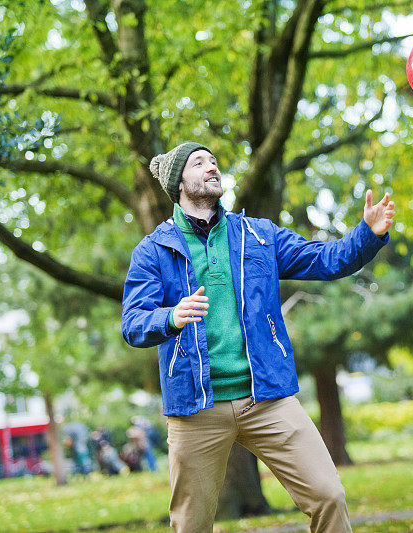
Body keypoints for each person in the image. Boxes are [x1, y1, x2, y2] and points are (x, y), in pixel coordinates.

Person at [121, 141, 393, 532]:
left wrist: (366, 233)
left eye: (214, 161)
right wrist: (170, 316)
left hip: (265, 398)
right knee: (190, 525)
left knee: (329, 495)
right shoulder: (153, 251)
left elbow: (326, 260)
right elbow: (133, 322)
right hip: (197, 408)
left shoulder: (256, 235)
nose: (211, 167)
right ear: (179, 182)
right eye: (199, 163)